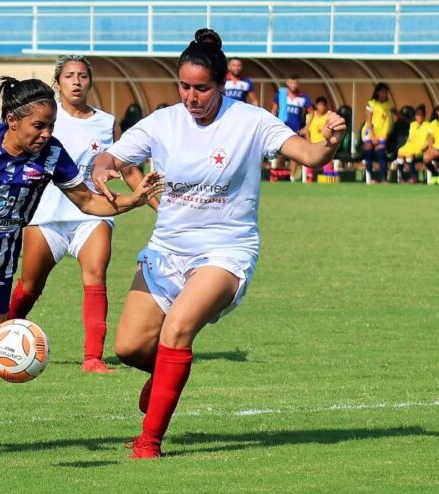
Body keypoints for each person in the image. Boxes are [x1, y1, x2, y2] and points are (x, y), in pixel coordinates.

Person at [91, 28, 346, 459]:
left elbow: (311, 155)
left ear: (222, 84)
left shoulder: (251, 122)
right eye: (184, 87)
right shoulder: (163, 122)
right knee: (129, 347)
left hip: (226, 250)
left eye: (202, 89)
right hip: (166, 249)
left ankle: (148, 442)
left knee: (176, 330)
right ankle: (167, 377)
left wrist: (331, 142)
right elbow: (111, 156)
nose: (191, 97)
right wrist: (102, 167)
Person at [0, 76, 163, 464]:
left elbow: (88, 202)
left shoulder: (51, 155)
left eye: (51, 126)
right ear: (12, 120)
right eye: (39, 126)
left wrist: (134, 200)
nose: (46, 134)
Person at [7, 55, 158, 373]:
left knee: (96, 276)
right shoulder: (45, 118)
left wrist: (161, 208)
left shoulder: (106, 123)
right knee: (30, 286)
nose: (76, 81)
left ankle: (93, 358)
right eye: (69, 76)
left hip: (92, 214)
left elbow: (128, 169)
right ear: (57, 83)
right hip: (47, 216)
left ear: (90, 81)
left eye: (82, 76)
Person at [271, 75, 313, 181]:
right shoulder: (281, 95)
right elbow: (274, 109)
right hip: (281, 128)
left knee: (294, 154)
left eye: (295, 83)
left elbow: (311, 112)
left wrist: (306, 127)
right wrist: (272, 123)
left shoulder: (303, 97)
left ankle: (292, 178)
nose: (293, 85)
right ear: (287, 83)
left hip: (295, 130)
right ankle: (278, 176)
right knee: (280, 153)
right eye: (291, 83)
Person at [361, 83, 395, 184]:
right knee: (368, 153)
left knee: (381, 154)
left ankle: (384, 179)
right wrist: (372, 136)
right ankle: (371, 178)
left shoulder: (388, 104)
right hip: (370, 132)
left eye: (386, 92)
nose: (385, 94)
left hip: (382, 134)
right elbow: (369, 121)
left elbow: (393, 113)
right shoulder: (371, 104)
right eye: (383, 92)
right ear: (377, 92)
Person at [395, 104, 430, 183]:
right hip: (410, 144)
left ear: (424, 116)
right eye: (417, 115)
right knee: (400, 152)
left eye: (421, 115)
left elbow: (430, 138)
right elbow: (410, 136)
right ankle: (402, 177)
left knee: (409, 154)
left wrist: (426, 145)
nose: (419, 117)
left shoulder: (428, 125)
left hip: (420, 146)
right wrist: (408, 141)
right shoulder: (413, 124)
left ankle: (413, 177)